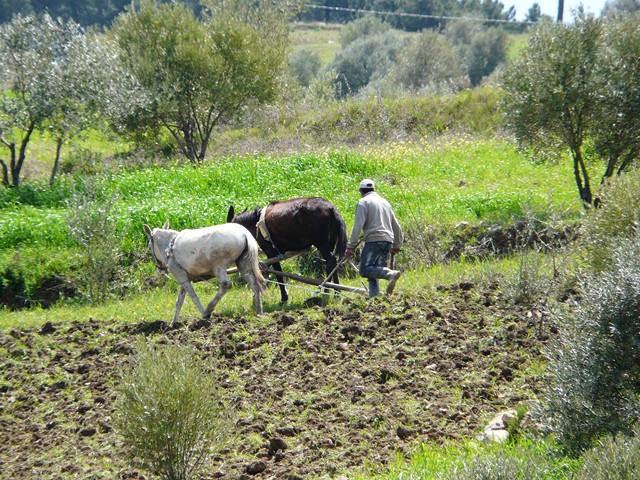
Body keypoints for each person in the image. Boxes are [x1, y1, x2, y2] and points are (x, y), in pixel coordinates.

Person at [344, 178, 403, 298]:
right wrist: (397, 244)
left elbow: (358, 225)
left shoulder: (363, 202)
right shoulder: (385, 202)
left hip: (374, 241)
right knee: (374, 271)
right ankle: (374, 297)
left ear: (361, 191)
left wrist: (350, 246)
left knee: (364, 270)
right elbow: (396, 225)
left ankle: (390, 274)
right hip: (387, 241)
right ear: (373, 189)